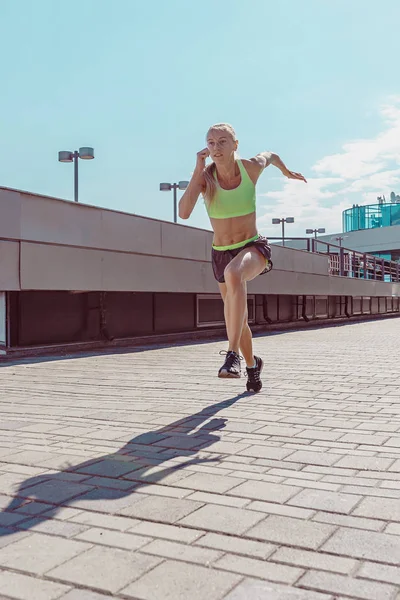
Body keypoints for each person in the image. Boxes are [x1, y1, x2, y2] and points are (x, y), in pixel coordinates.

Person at [179, 123, 306, 392]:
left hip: (253, 247)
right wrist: (197, 169)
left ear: (236, 144)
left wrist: (286, 172)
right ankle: (252, 365)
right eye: (211, 143)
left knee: (234, 274)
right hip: (220, 253)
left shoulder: (250, 168)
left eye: (223, 141)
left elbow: (270, 155)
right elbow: (184, 212)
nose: (216, 148)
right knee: (238, 319)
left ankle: (231, 355)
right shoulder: (206, 177)